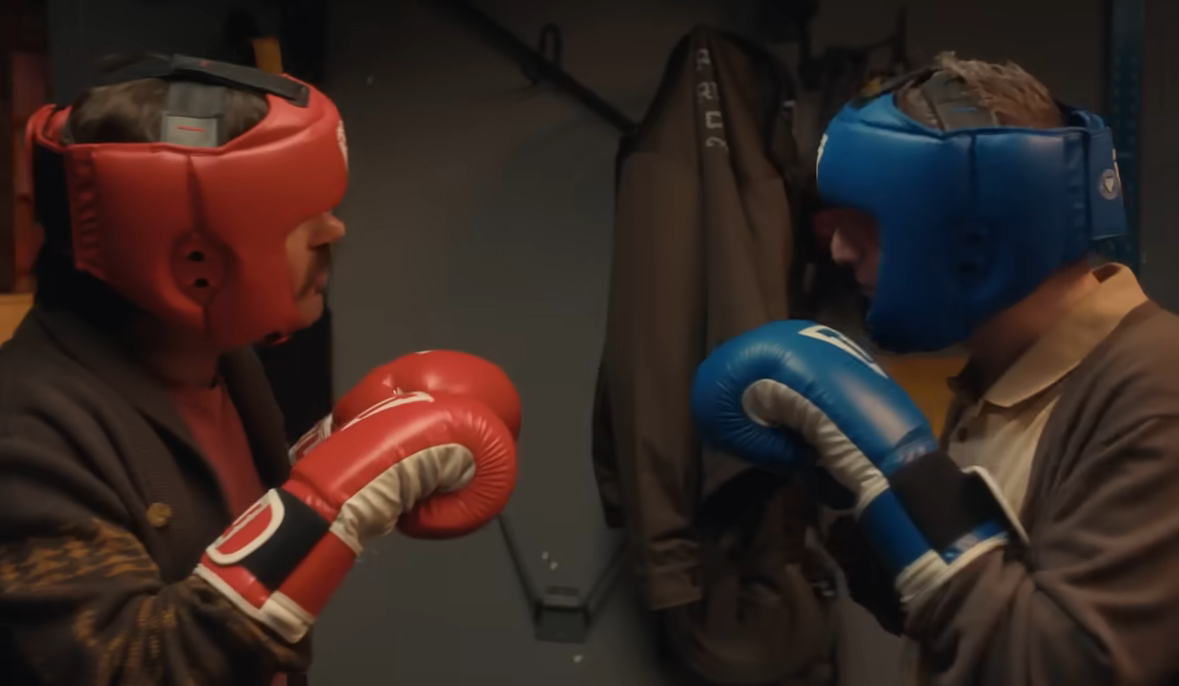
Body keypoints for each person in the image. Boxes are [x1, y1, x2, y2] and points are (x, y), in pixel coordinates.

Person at [0, 53, 520, 686]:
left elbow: (219, 533)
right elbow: (126, 669)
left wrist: (339, 453)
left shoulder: (216, 361)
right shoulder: (25, 435)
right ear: (195, 261)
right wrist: (338, 501)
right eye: (300, 221)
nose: (335, 229)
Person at [690, 52, 1179, 685]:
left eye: (868, 222)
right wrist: (852, 493)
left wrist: (904, 475)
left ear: (976, 236)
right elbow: (962, 623)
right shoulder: (1004, 375)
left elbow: (1068, 666)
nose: (837, 249)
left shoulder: (1154, 392)